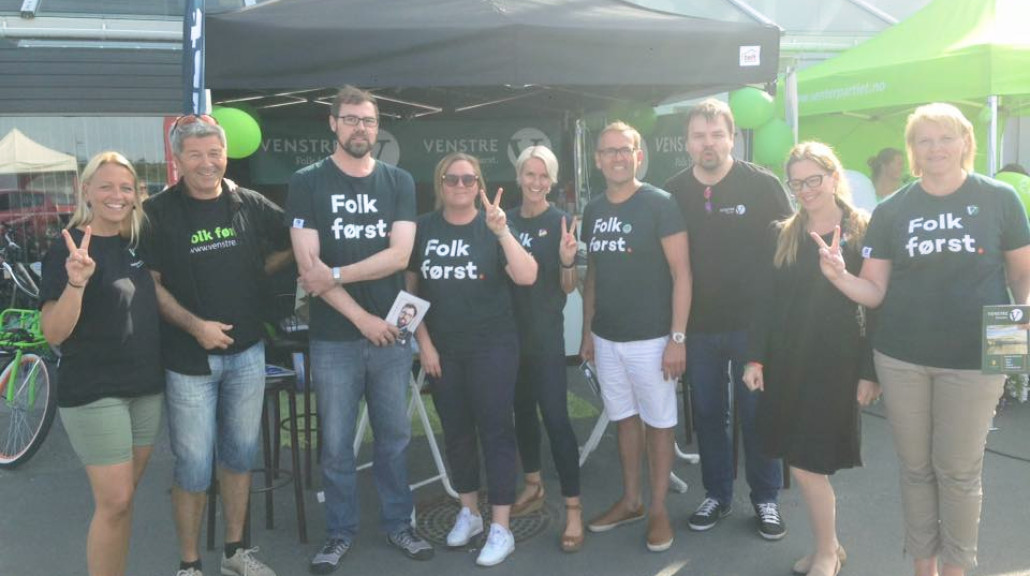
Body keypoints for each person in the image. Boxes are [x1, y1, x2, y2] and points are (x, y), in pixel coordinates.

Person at [812, 103, 1030, 576]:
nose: (936, 148)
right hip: (903, 358)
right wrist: (839, 276)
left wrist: (1011, 354)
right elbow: (874, 291)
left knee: (959, 470)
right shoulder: (893, 210)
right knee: (915, 469)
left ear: (965, 143)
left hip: (974, 360)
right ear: (912, 151)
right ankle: (923, 567)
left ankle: (956, 568)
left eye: (945, 137)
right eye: (924, 140)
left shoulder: (1000, 199)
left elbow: (1022, 279)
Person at [287, 85, 433, 573]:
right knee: (335, 444)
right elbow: (310, 268)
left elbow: (400, 255)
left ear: (378, 126)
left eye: (367, 121)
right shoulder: (307, 181)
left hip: (391, 336)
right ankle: (340, 532)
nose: (359, 128)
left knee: (394, 436)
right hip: (336, 337)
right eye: (350, 119)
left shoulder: (398, 180)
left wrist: (337, 274)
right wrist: (362, 318)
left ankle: (399, 524)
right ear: (333, 123)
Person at [141, 114, 292, 576]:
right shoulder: (157, 212)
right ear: (178, 159)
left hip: (247, 354)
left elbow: (294, 238)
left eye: (215, 153)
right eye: (196, 155)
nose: (208, 163)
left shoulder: (248, 202)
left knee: (239, 457)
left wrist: (257, 270)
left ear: (226, 154)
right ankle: (189, 565)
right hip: (189, 363)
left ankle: (234, 554)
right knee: (192, 468)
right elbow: (152, 284)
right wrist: (196, 326)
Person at [742, 142, 880, 576]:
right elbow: (764, 302)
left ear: (834, 176)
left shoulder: (863, 230)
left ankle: (825, 552)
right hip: (786, 361)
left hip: (836, 363)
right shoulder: (782, 232)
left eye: (813, 180)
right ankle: (828, 546)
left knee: (807, 461)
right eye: (796, 182)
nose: (804, 190)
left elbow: (878, 307)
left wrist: (869, 372)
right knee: (799, 457)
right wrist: (755, 359)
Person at [664, 98, 793, 539]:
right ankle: (717, 494)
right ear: (686, 143)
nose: (709, 143)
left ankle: (766, 499)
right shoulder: (674, 190)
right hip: (698, 327)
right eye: (699, 136)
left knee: (757, 413)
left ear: (732, 137)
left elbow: (788, 250)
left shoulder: (762, 184)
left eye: (717, 134)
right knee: (708, 414)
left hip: (753, 326)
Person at [406, 153, 537, 567]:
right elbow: (409, 295)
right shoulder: (422, 229)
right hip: (443, 350)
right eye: (452, 178)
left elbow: (528, 275)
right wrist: (423, 343)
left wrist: (502, 233)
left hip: (493, 346)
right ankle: (470, 512)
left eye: (469, 179)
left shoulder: (493, 225)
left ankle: (501, 527)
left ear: (479, 184)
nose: (460, 186)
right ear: (439, 182)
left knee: (496, 431)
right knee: (457, 431)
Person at [40, 151, 163, 576]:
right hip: (95, 390)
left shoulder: (137, 241)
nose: (116, 195)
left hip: (145, 387)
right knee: (114, 502)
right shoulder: (67, 248)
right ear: (86, 191)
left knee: (123, 500)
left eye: (126, 187)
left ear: (136, 196)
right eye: (106, 186)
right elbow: (54, 332)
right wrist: (77, 283)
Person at [580, 121, 690, 553]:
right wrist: (588, 330)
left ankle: (658, 509)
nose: (617, 157)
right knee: (624, 419)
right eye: (609, 151)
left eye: (625, 150)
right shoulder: (593, 209)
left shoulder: (660, 204)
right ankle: (631, 501)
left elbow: (683, 273)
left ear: (638, 155)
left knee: (659, 424)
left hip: (653, 339)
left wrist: (677, 338)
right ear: (597, 160)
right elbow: (593, 277)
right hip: (607, 339)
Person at [506, 145, 584, 552]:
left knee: (556, 419)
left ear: (552, 182)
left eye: (544, 177)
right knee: (521, 414)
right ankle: (533, 484)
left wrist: (568, 261)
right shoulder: (504, 221)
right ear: (519, 176)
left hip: (545, 339)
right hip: (508, 338)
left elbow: (568, 289)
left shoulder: (561, 222)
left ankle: (573, 509)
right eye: (529, 175)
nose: (536, 183)